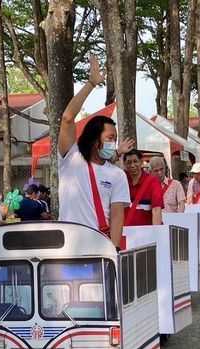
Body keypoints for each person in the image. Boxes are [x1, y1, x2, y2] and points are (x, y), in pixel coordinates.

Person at [57, 55, 133, 248]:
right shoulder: (70, 157)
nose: (113, 143)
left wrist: (114, 251)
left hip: (98, 246)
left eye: (115, 139)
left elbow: (117, 216)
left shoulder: (117, 175)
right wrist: (91, 83)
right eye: (109, 138)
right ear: (93, 138)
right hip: (66, 245)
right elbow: (67, 117)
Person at [123, 150, 164, 225]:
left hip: (146, 232)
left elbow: (156, 210)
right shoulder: (121, 179)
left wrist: (156, 232)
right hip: (124, 232)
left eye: (135, 161)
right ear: (124, 164)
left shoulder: (153, 182)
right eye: (129, 162)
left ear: (141, 162)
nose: (132, 165)